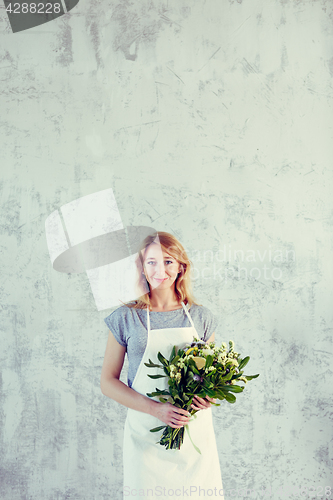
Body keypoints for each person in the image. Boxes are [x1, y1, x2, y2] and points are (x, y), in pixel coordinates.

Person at [100, 231, 224, 499]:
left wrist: (208, 397)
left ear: (181, 266)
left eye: (168, 261)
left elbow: (211, 377)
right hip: (145, 435)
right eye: (152, 262)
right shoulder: (125, 318)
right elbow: (107, 381)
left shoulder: (201, 317)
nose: (160, 270)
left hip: (193, 438)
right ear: (142, 267)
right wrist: (156, 410)